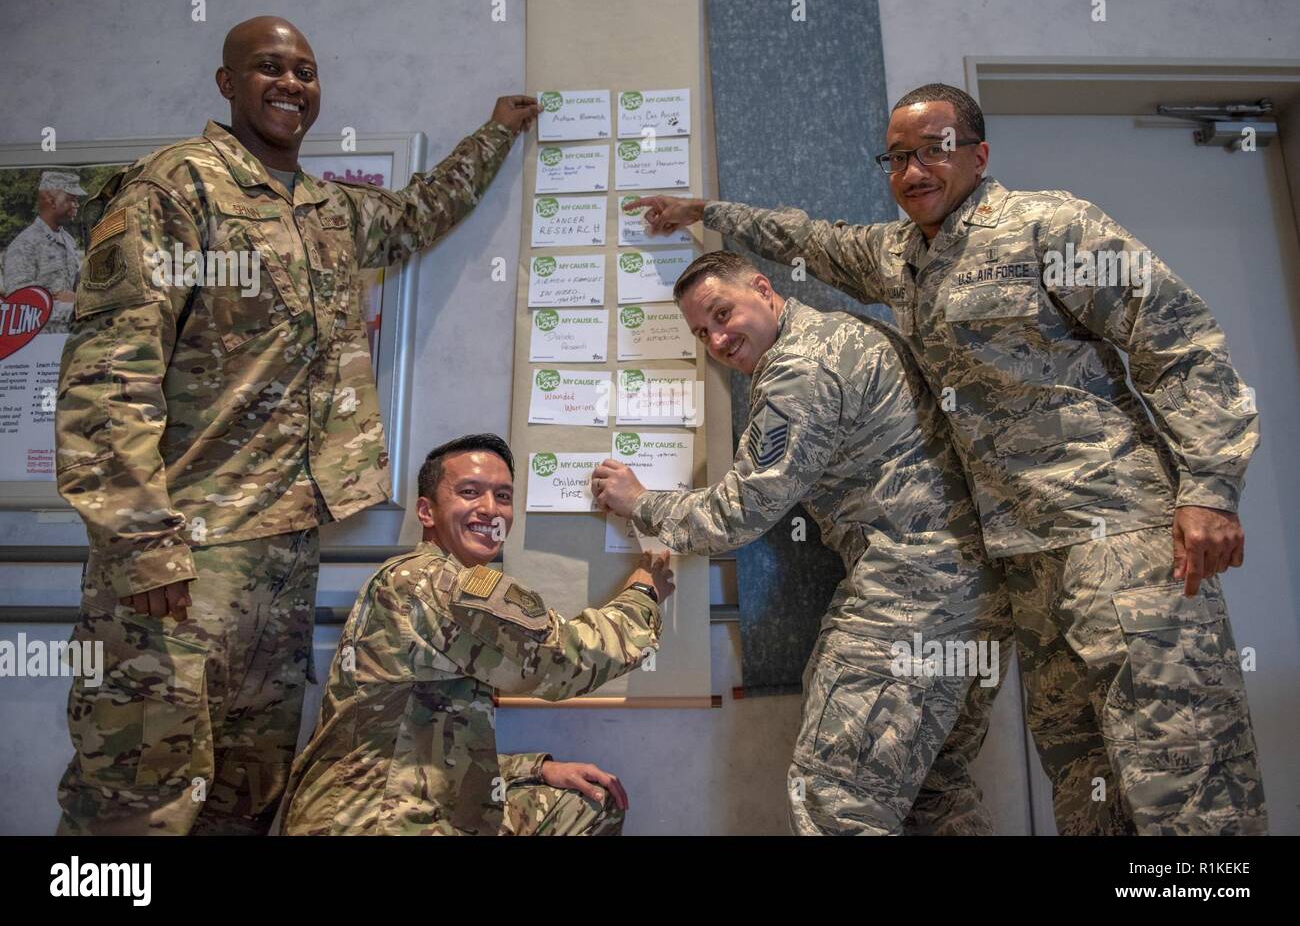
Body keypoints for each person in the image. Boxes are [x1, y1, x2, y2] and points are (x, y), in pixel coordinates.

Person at [626, 82, 1265, 834]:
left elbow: (1179, 341)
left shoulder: (1050, 227)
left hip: (1119, 531)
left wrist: (1210, 488)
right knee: (1088, 776)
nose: (914, 170)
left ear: (978, 154)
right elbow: (806, 237)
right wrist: (707, 214)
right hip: (1020, 562)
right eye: (897, 156)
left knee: (1184, 772)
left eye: (935, 149)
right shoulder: (897, 256)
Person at [54, 16, 539, 835]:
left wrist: (494, 133)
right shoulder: (175, 189)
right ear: (227, 83)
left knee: (249, 791)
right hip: (180, 559)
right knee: (136, 803)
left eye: (306, 72)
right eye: (269, 67)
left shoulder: (326, 212)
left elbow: (423, 213)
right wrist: (142, 543)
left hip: (282, 555)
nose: (290, 84)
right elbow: (109, 379)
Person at [591, 251, 1010, 835]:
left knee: (835, 801)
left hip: (910, 599)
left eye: (721, 313)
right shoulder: (849, 331)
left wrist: (641, 502)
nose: (715, 338)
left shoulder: (800, 368)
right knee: (934, 794)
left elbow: (738, 512)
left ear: (762, 289)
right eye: (701, 331)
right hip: (974, 604)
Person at [282, 434, 667, 835]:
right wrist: (644, 593)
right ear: (426, 511)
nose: (490, 509)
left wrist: (533, 769)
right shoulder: (435, 584)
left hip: (398, 801)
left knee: (584, 805)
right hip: (376, 824)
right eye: (470, 492)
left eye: (503, 496)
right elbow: (565, 661)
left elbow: (424, 751)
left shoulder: (423, 579)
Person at [3, 170, 86, 333]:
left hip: (70, 338)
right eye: (70, 199)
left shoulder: (68, 240)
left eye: (76, 200)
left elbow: (74, 287)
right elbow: (21, 306)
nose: (76, 204)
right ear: (50, 199)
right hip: (40, 343)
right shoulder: (23, 245)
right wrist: (77, 305)